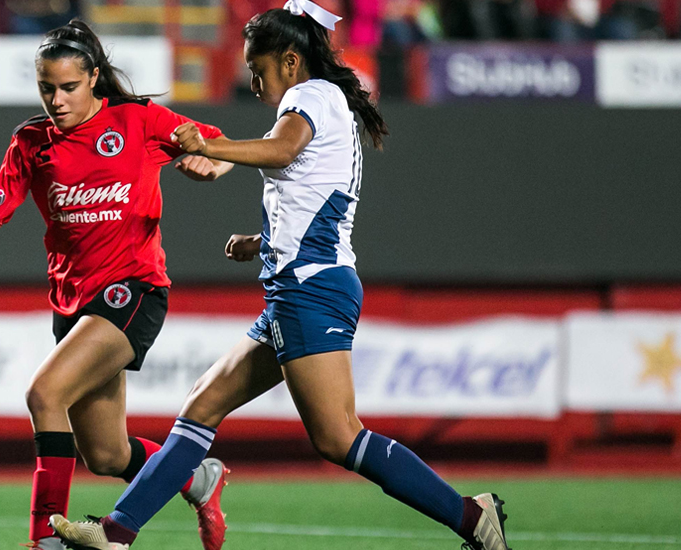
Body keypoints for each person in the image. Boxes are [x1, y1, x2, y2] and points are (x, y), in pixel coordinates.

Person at [48, 3, 510, 550]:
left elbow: (284, 150)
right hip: (301, 288)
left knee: (339, 437)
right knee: (203, 405)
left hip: (310, 291)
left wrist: (208, 144)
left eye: (258, 66)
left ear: (291, 60)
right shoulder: (320, 101)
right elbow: (312, 196)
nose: (251, 78)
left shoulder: (309, 97)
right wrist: (261, 241)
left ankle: (471, 517)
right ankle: (117, 533)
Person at [0, 20, 234, 550]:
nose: (56, 99)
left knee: (44, 392)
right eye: (46, 88)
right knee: (105, 454)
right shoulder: (32, 142)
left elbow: (213, 145)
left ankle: (42, 541)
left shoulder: (138, 120)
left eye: (69, 87)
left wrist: (206, 163)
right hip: (74, 304)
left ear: (95, 78)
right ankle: (196, 478)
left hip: (134, 289)